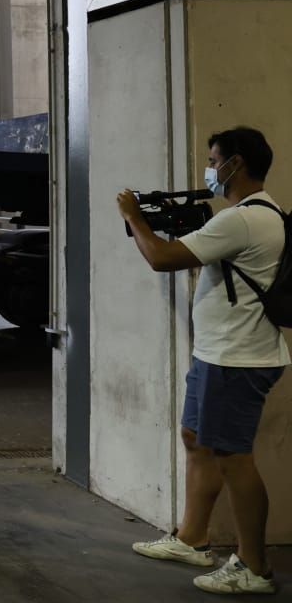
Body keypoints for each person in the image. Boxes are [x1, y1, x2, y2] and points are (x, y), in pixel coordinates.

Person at [118, 126, 288, 595]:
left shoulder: (244, 219)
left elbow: (161, 257)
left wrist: (135, 217)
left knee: (234, 457)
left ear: (236, 163)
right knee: (196, 438)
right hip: (218, 352)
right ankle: (192, 537)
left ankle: (254, 567)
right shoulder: (250, 216)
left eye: (214, 161)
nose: (210, 169)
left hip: (237, 357)